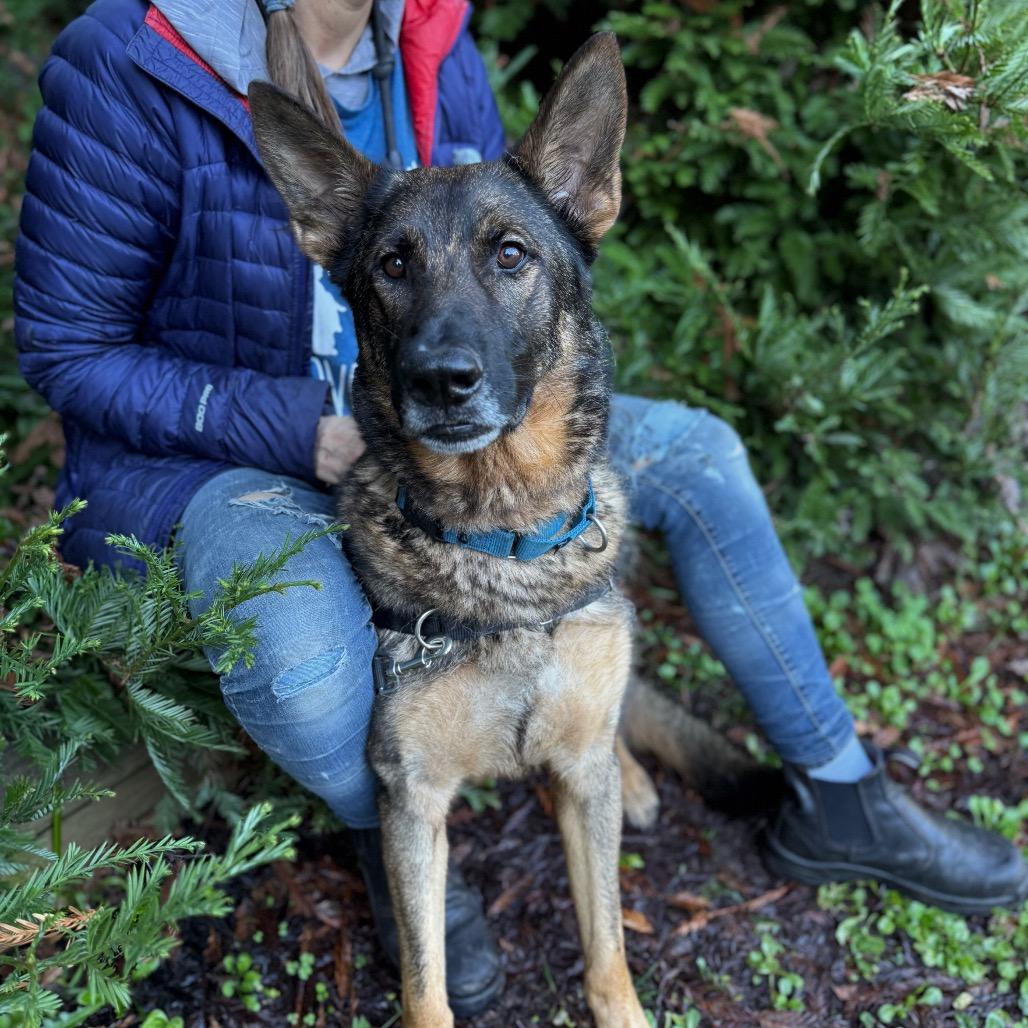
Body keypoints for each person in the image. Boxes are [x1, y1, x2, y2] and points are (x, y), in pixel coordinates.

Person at [15, 0, 1026, 1016]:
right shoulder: (130, 57)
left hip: (458, 410)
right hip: (233, 450)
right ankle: (403, 831)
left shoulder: (429, 37)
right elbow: (67, 351)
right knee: (304, 669)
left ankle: (839, 790)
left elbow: (508, 235)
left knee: (702, 454)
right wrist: (294, 427)